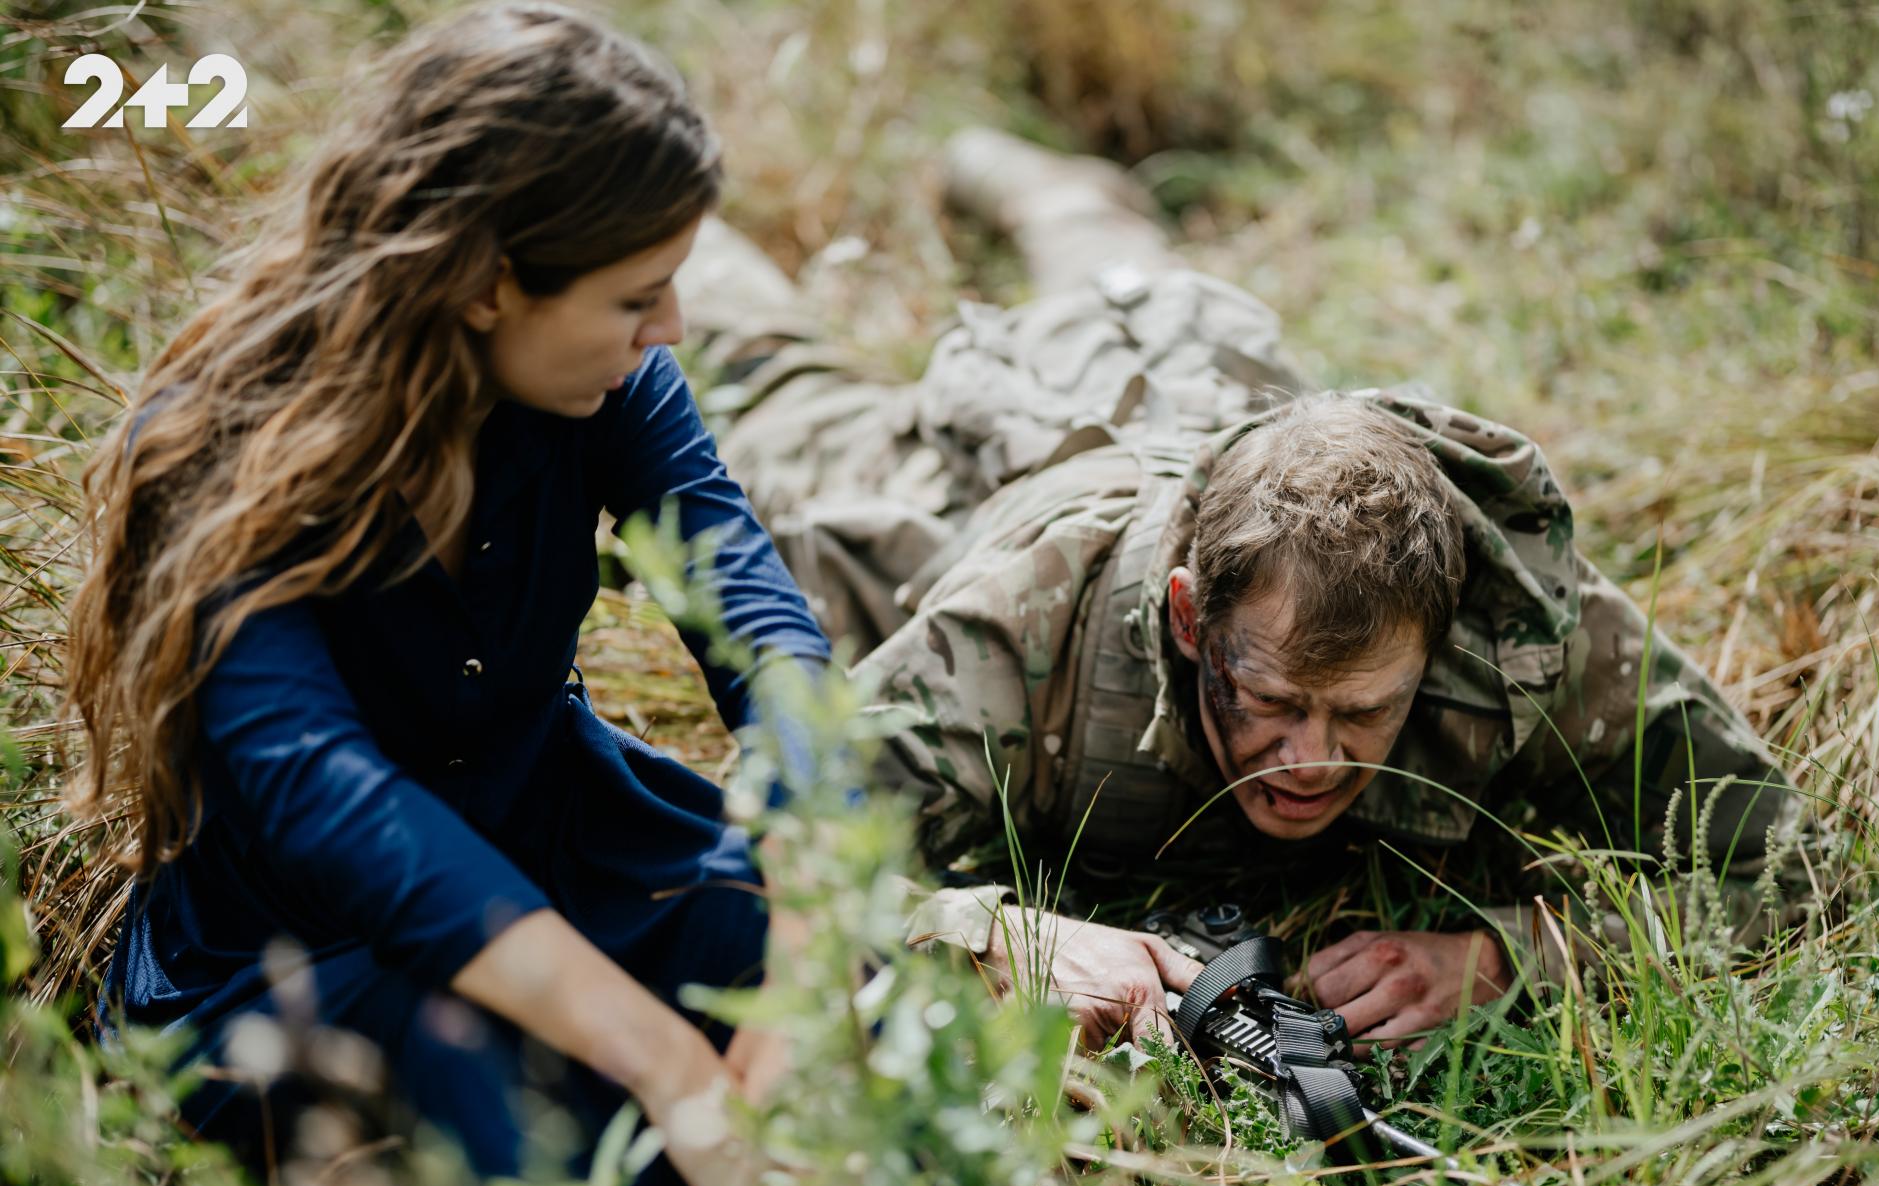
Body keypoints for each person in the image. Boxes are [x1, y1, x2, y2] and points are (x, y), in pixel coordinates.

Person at [684, 130, 1812, 1049]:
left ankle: (1042, 185)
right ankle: (673, 198)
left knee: (1134, 287)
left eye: (1364, 709)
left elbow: (1784, 863)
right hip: (1023, 451)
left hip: (1214, 377)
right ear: (1188, 618)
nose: (1310, 758)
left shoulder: (1520, 631)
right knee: (786, 388)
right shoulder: (1017, 625)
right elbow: (771, 862)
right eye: (1268, 700)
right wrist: (998, 934)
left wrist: (1513, 953)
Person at [66, 4, 824, 1186]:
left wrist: (804, 935)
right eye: (638, 293)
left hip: (570, 857)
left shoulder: (609, 387)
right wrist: (666, 1058)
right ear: (485, 284)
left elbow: (765, 631)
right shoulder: (212, 450)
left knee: (822, 996)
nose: (669, 328)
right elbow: (331, 800)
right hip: (308, 966)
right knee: (522, 1139)